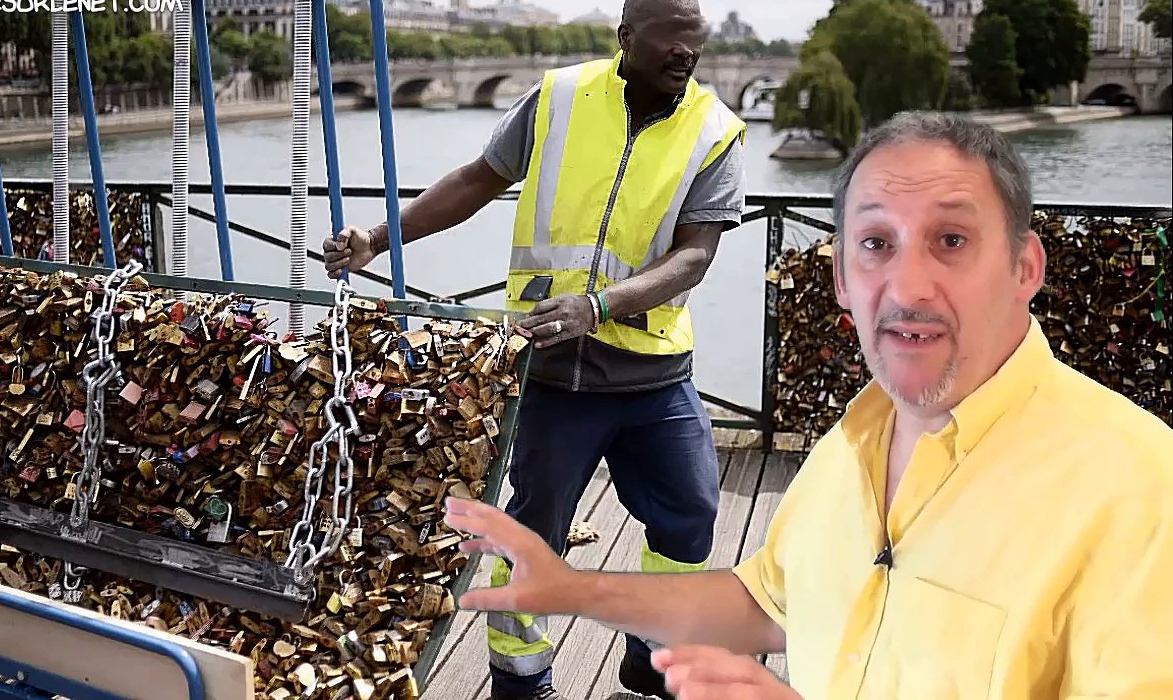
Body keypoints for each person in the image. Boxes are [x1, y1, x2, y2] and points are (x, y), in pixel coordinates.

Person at [441, 111, 1173, 700]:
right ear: (842, 285)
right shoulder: (850, 445)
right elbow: (766, 606)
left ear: (1025, 268)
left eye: (951, 240)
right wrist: (573, 589)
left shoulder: (1139, 489)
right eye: (876, 244)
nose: (909, 285)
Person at [323, 0, 746, 698]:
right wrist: (376, 236)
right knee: (532, 534)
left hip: (654, 374)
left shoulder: (715, 130)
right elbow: (474, 181)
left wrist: (600, 305)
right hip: (552, 373)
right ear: (625, 35)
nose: (687, 49)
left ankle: (654, 650)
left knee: (693, 515)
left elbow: (695, 257)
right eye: (671, 34)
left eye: (696, 35)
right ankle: (520, 682)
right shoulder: (557, 97)